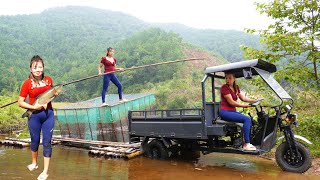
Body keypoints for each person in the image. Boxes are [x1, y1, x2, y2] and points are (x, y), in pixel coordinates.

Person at [18, 55, 57, 180]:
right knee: (34, 141)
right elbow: (20, 102)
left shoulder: (49, 80)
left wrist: (55, 94)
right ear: (30, 69)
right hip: (34, 116)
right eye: (35, 67)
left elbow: (51, 96)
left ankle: (45, 171)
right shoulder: (27, 83)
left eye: (40, 67)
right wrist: (33, 108)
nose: (38, 70)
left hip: (48, 115)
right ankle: (34, 163)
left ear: (43, 67)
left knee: (47, 142)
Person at [219, 72, 257, 151]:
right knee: (247, 119)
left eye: (230, 78)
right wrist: (244, 106)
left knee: (250, 120)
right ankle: (246, 144)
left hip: (232, 111)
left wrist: (254, 101)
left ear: (234, 79)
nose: (227, 80)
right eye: (226, 78)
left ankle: (243, 140)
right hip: (225, 112)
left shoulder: (236, 87)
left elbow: (243, 98)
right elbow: (231, 102)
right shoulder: (224, 88)